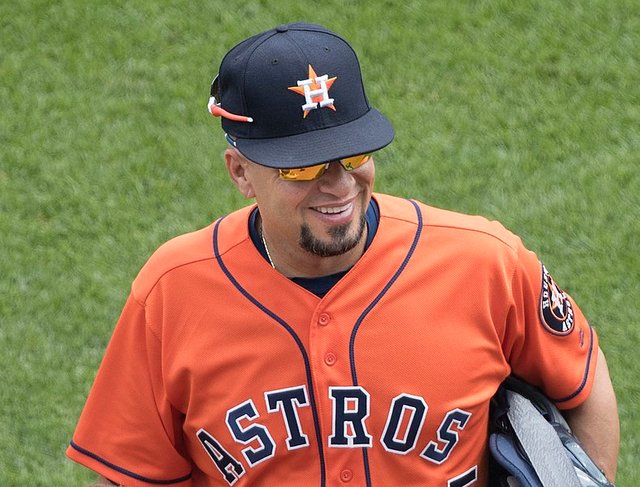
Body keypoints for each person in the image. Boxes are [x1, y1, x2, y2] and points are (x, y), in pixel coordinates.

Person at [67, 22, 619, 486]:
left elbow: (584, 382)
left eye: (353, 154)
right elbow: (133, 470)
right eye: (301, 167)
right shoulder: (173, 291)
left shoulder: (485, 263)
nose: (338, 185)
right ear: (241, 174)